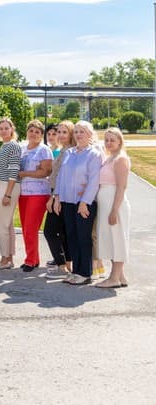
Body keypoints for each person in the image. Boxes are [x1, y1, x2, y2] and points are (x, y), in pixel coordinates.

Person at [53, 120, 103, 285]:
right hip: (67, 201)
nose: (79, 135)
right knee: (71, 236)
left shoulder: (94, 154)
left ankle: (85, 272)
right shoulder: (70, 153)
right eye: (77, 132)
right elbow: (61, 177)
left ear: (90, 134)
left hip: (84, 203)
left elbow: (94, 180)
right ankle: (75, 271)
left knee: (83, 237)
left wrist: (85, 202)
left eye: (82, 132)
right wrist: (57, 197)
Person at [95, 128, 131, 288]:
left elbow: (122, 187)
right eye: (106, 140)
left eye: (112, 140)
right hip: (105, 202)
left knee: (117, 238)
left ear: (119, 142)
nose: (108, 143)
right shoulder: (109, 158)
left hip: (115, 204)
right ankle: (121, 276)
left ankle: (114, 278)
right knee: (110, 238)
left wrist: (114, 211)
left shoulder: (121, 159)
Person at [17, 119, 53, 272]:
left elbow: (45, 172)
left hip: (38, 193)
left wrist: (25, 173)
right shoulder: (22, 148)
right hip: (22, 193)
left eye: (37, 132)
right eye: (31, 131)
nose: (33, 134)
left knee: (31, 227)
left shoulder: (44, 150)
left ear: (41, 135)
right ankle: (34, 258)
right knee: (26, 228)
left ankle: (30, 260)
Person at [44, 121, 75, 279]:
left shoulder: (69, 151)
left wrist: (54, 198)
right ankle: (66, 265)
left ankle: (61, 266)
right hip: (57, 193)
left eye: (64, 132)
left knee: (49, 231)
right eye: (59, 132)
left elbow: (63, 179)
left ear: (71, 134)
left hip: (60, 195)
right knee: (61, 232)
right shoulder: (64, 150)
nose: (60, 135)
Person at [0, 117, 22, 270]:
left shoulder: (14, 146)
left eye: (6, 128)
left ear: (12, 129)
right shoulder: (4, 146)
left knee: (1, 224)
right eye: (0, 128)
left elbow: (14, 170)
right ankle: (8, 259)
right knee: (7, 225)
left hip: (9, 186)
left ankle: (4, 259)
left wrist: (7, 194)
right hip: (2, 186)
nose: (3, 130)